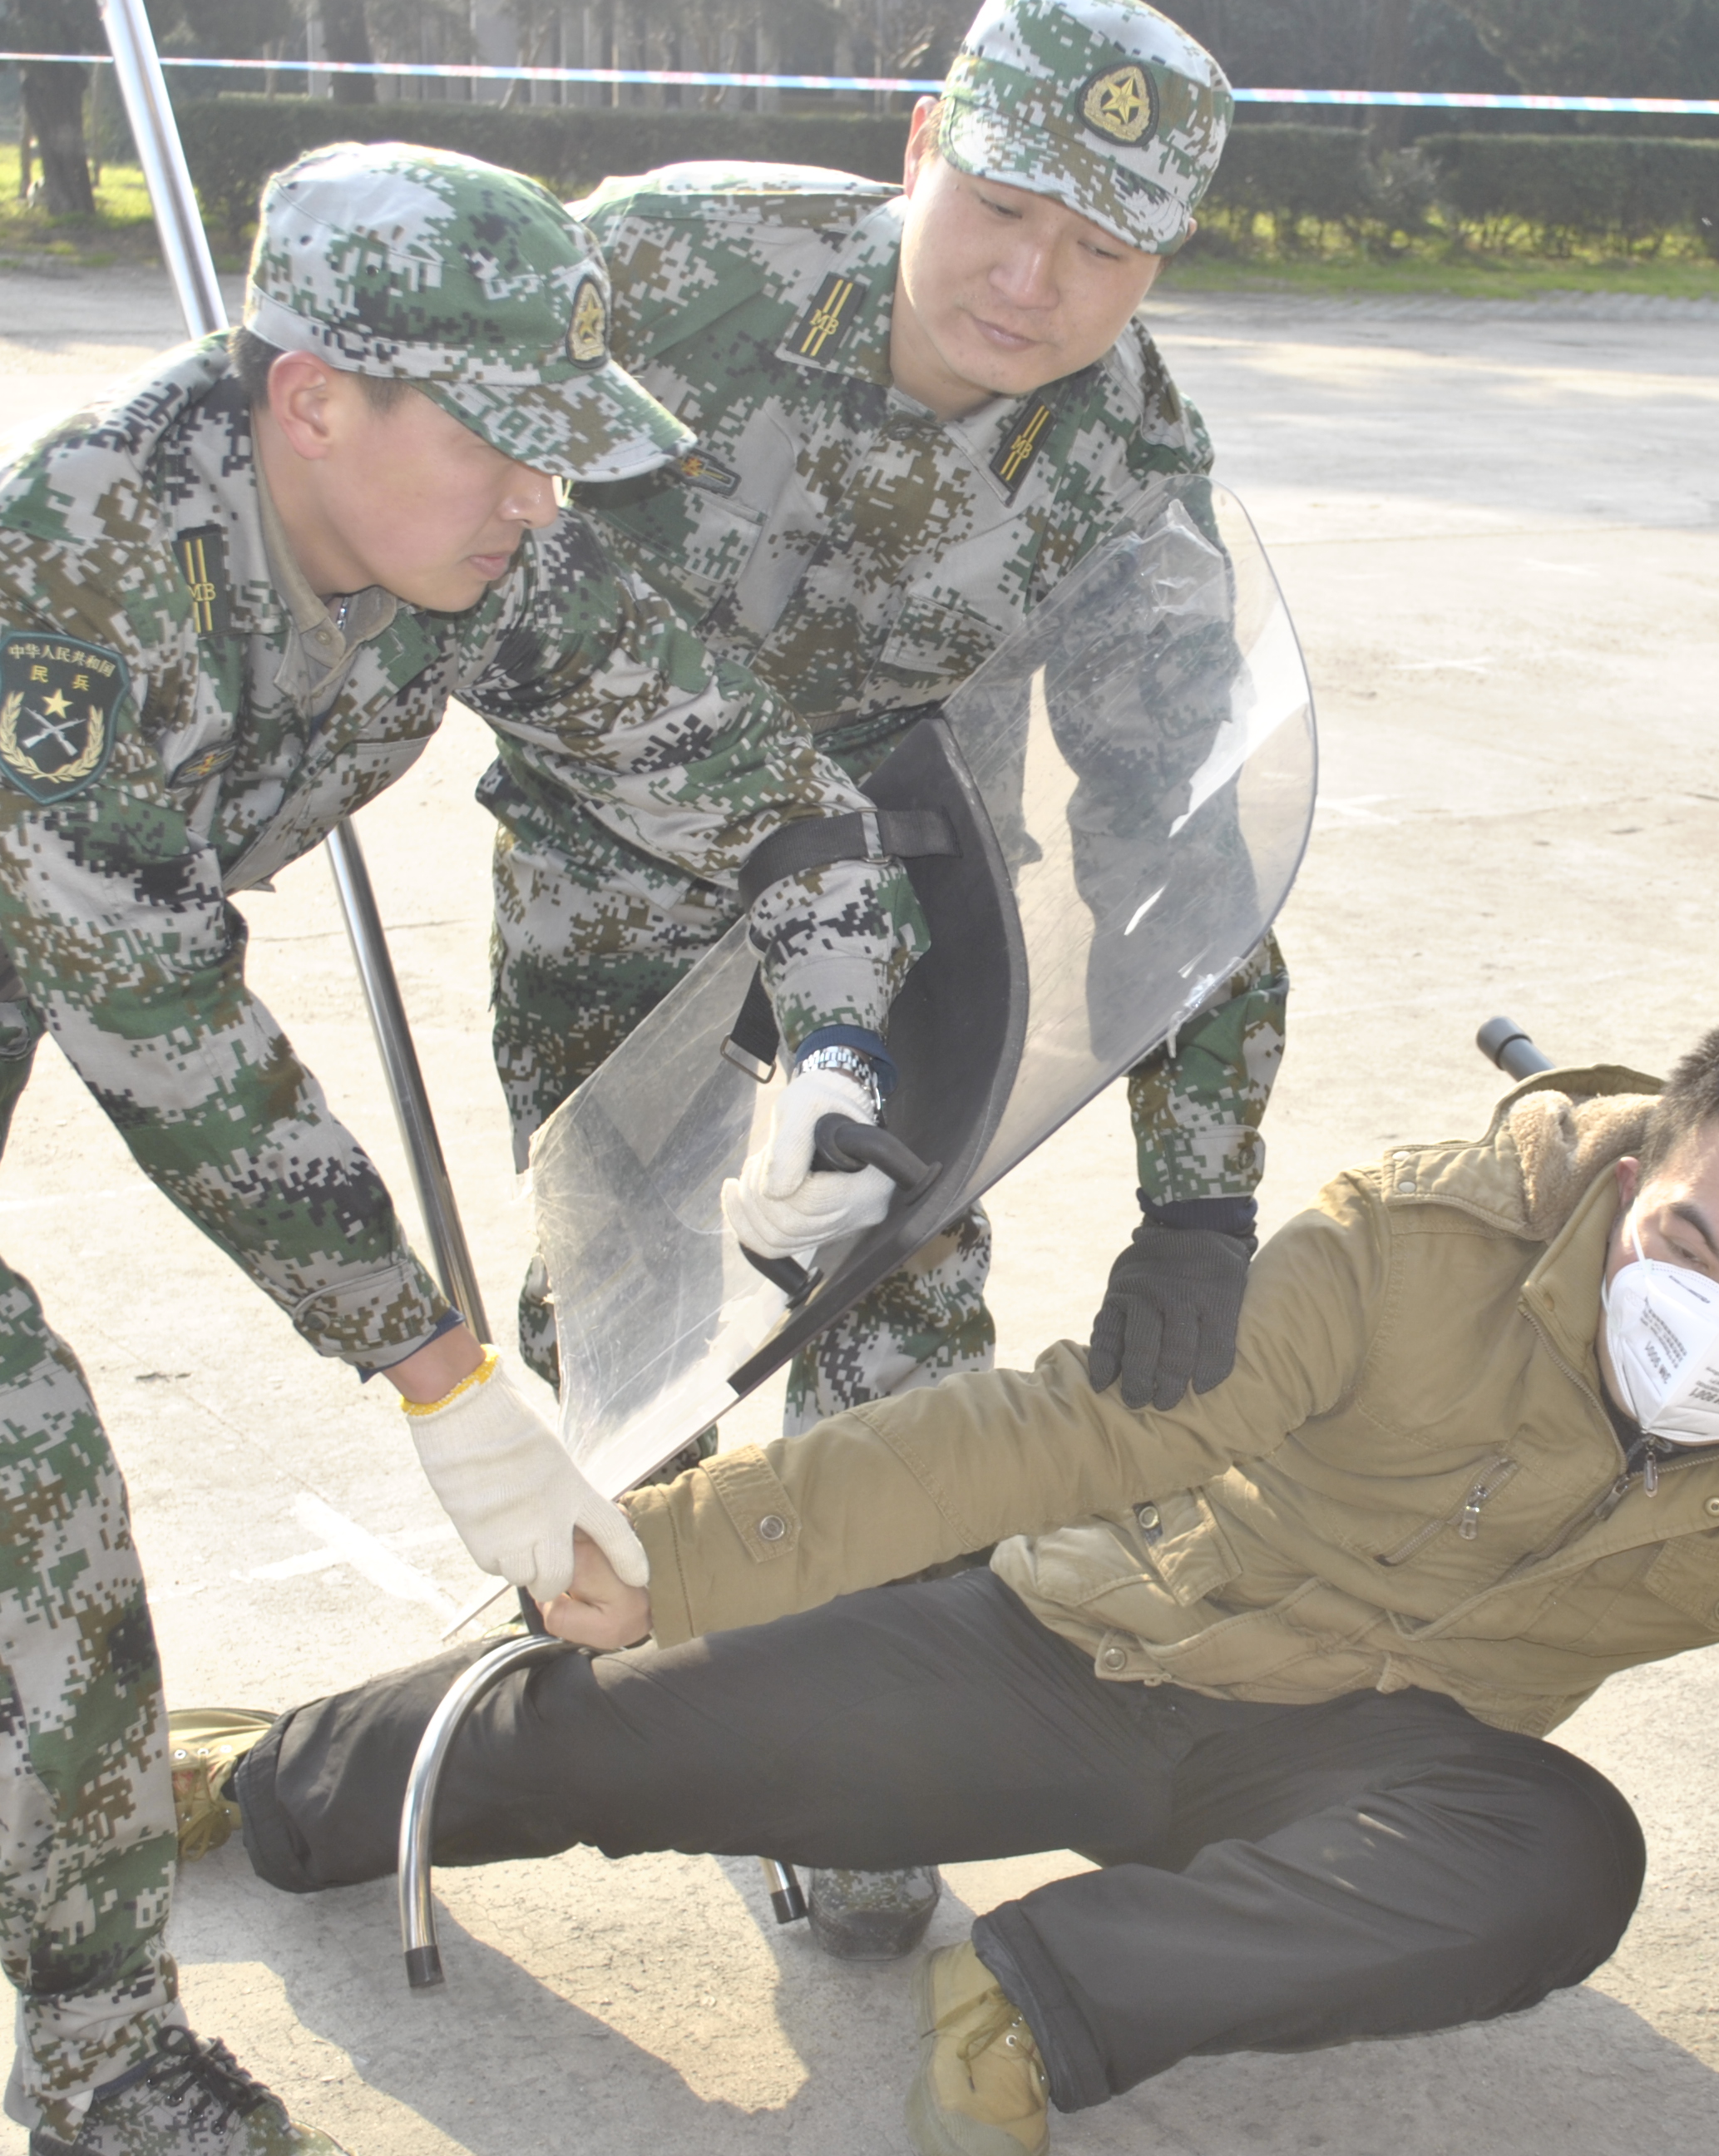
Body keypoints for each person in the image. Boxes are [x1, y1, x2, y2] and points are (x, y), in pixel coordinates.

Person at [171, 1022, 1719, 2156]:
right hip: (1084, 1635)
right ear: (1639, 1182)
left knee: (1559, 1861)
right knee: (613, 1736)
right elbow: (1050, 1422)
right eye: (1686, 1233)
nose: (1701, 1299)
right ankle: (254, 1787)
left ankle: (1032, 2018)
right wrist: (660, 1560)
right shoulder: (1400, 1250)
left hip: (1357, 1751)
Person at [0, 144, 923, 2156]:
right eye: (509, 442)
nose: (546, 495)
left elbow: (779, 801)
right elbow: (169, 1041)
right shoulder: (51, 583)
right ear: (311, 395)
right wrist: (439, 1374)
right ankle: (99, 2061)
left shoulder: (483, 535)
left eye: (566, 447)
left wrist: (836, 1045)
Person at [525, 0, 1282, 1961]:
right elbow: (388, 456)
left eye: (1105, 248)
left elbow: (1175, 831)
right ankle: (606, 1686)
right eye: (1008, 203)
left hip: (920, 883)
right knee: (624, 1325)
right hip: (619, 897)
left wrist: (1196, 1195)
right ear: (926, 131)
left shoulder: (1123, 451)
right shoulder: (668, 268)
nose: (1034, 282)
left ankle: (835, 1765)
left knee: (895, 1337)